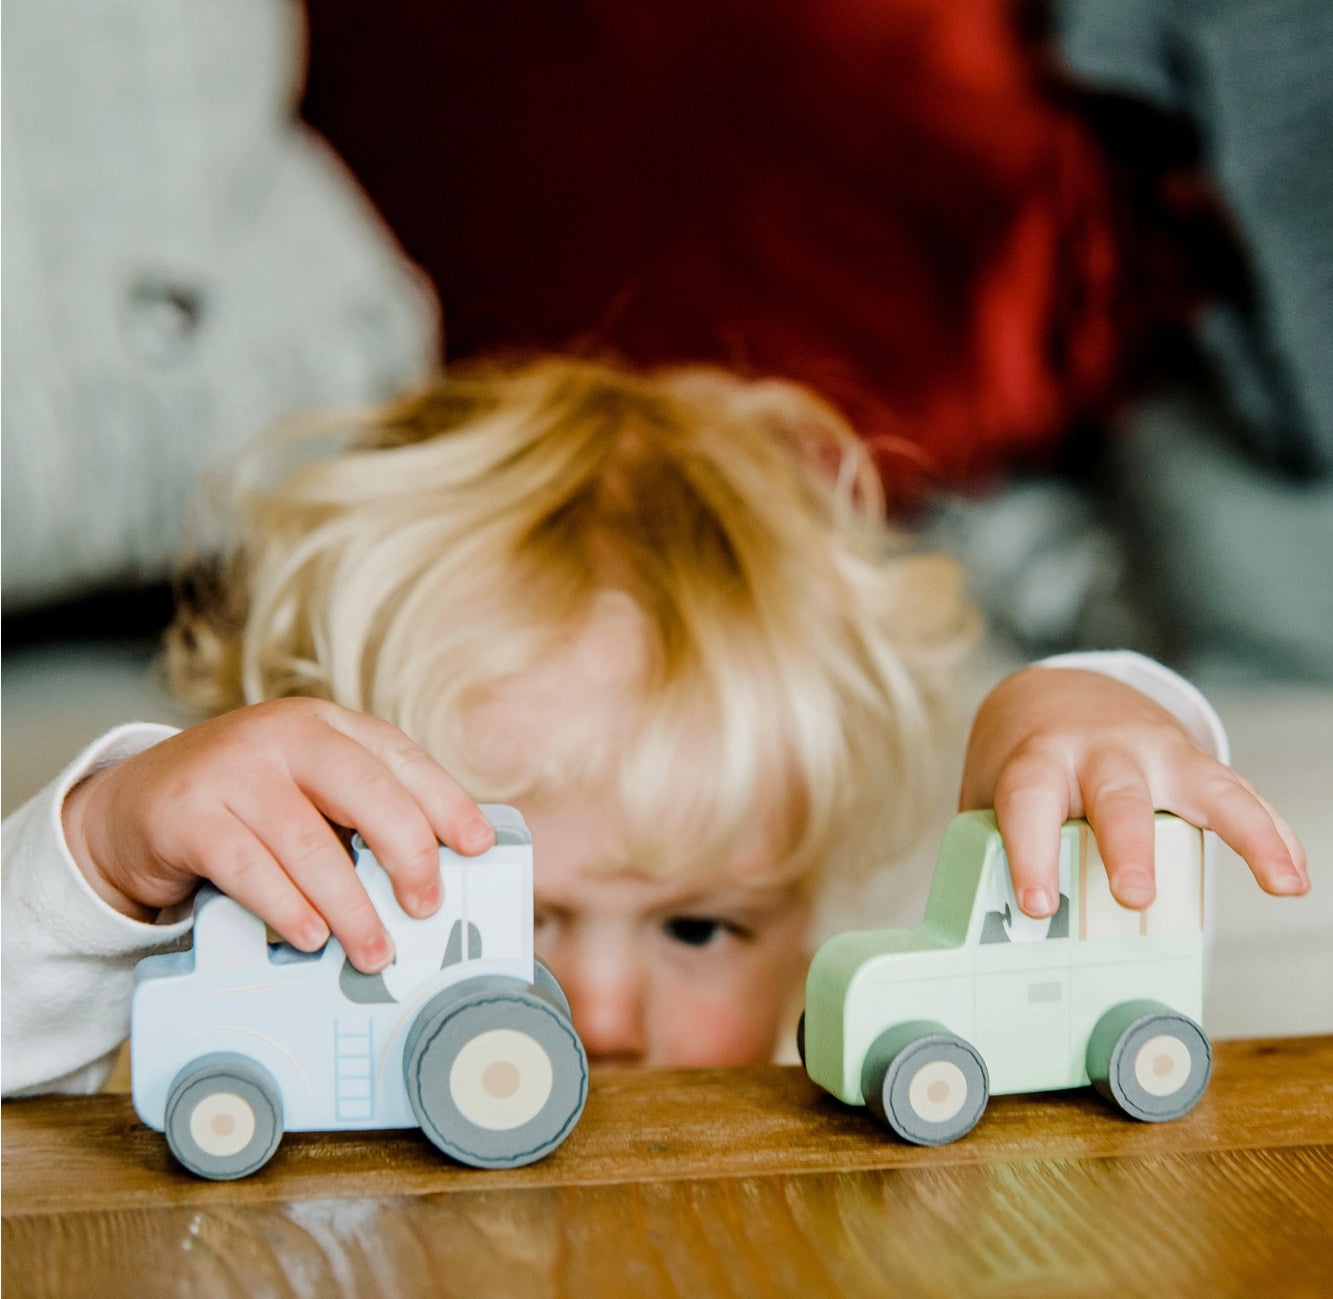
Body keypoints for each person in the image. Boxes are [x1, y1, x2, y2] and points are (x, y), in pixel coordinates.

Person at [1, 355, 1307, 1095]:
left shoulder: (809, 1093)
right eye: (517, 911)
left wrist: (1088, 720)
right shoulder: (245, 1054)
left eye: (699, 926)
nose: (608, 1014)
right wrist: (110, 858)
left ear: (801, 925)